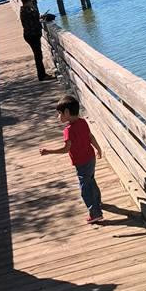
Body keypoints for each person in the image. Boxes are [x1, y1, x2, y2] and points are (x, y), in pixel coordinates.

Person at [39, 95, 105, 223]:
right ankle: (98, 202)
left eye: (59, 113)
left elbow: (66, 149)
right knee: (91, 181)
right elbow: (90, 137)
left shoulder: (68, 131)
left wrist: (49, 151)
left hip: (81, 162)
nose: (58, 117)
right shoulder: (83, 122)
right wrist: (98, 149)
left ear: (67, 113)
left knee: (85, 189)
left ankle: (95, 213)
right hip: (91, 158)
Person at [19, 0, 49, 81]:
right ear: (28, 1)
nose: (32, 2)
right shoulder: (27, 10)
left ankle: (42, 74)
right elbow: (35, 16)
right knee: (38, 56)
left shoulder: (24, 9)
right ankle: (42, 75)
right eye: (31, 1)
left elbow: (34, 18)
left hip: (30, 35)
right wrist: (35, 7)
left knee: (38, 55)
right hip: (32, 35)